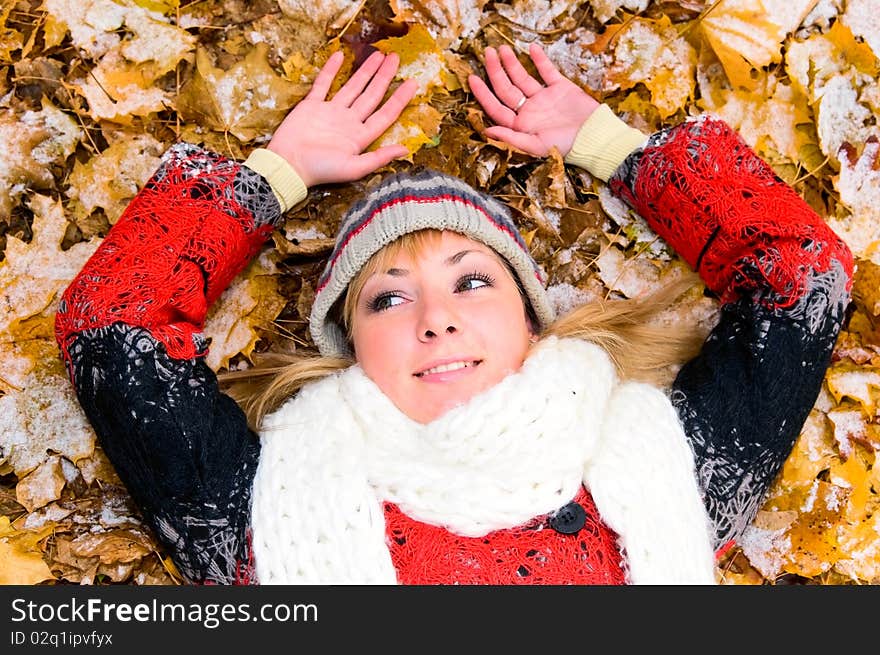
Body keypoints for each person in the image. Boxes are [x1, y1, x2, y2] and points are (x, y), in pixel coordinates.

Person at [54, 41, 853, 585]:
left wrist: (613, 148)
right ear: (353, 347)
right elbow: (111, 326)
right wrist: (278, 172)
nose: (433, 317)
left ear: (531, 323)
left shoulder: (666, 473)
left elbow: (802, 272)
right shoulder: (256, 505)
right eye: (388, 297)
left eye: (472, 281)